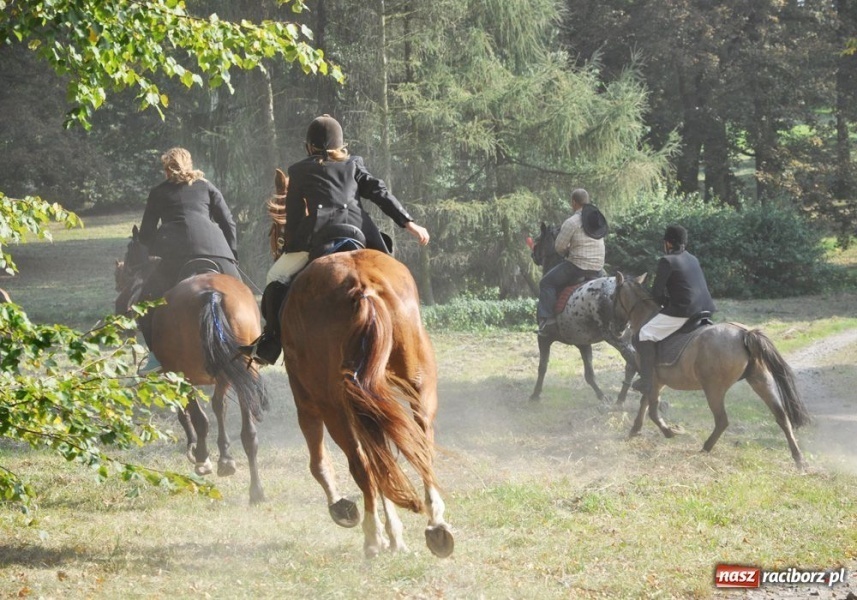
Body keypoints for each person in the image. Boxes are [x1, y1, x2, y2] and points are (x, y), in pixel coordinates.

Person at [243, 114, 431, 365]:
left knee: (275, 276)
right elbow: (379, 192)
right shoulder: (354, 164)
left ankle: (271, 344)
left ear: (309, 147)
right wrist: (409, 223)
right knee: (394, 277)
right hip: (359, 231)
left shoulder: (298, 170)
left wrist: (290, 247)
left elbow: (295, 216)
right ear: (341, 145)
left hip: (320, 234)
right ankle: (409, 331)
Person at [136, 147, 240, 375]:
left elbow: (146, 234)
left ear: (166, 169)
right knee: (243, 295)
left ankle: (155, 358)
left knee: (145, 302)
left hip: (175, 254)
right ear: (190, 164)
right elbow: (228, 222)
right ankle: (253, 345)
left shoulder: (158, 192)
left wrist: (152, 250)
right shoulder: (207, 186)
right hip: (216, 250)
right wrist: (231, 255)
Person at [632, 224, 716, 394]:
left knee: (643, 335)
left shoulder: (667, 261)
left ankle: (647, 381)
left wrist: (665, 303)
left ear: (668, 243)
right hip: (706, 308)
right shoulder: (693, 258)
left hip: (684, 311)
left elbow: (656, 293)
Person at [537, 188, 606, 336]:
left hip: (577, 266)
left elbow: (559, 247)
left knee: (546, 283)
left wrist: (566, 251)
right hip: (598, 267)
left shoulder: (572, 221)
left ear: (574, 202)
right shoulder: (597, 219)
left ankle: (548, 322)